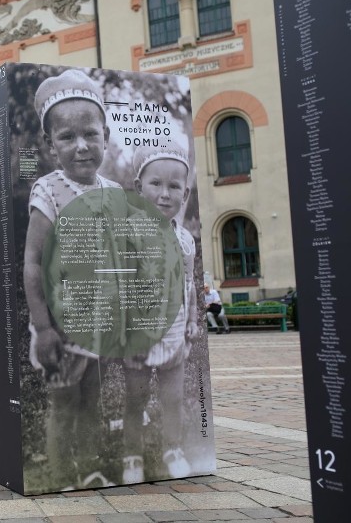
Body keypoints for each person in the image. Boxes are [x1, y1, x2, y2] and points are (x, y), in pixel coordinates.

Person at [24, 69, 121, 484]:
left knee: (93, 399)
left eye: (90, 134)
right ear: (49, 145)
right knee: (64, 401)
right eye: (67, 137)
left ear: (105, 135)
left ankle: (89, 470)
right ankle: (62, 475)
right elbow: (32, 262)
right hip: (62, 327)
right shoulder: (49, 191)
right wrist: (43, 328)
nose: (81, 146)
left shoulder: (115, 192)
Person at [120, 142, 198, 484]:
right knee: (135, 398)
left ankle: (172, 449)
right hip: (139, 333)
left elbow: (190, 284)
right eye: (156, 184)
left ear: (185, 192)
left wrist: (192, 320)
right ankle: (132, 455)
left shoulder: (185, 241)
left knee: (173, 398)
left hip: (175, 331)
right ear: (139, 187)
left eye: (174, 186)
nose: (165, 194)